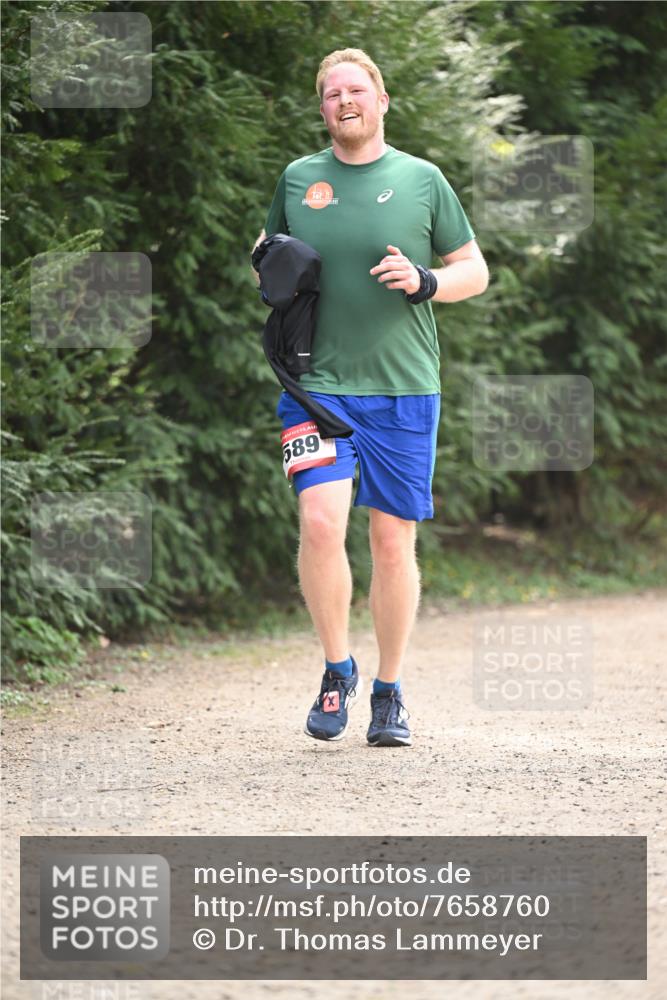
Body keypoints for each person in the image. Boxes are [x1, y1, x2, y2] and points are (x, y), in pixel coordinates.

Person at [252, 48, 488, 748]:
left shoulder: (422, 181)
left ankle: (388, 690)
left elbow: (472, 270)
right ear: (322, 107)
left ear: (381, 101)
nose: (343, 100)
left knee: (391, 540)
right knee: (322, 523)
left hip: (404, 385)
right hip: (314, 383)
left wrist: (425, 281)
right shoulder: (299, 178)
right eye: (330, 93)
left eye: (355, 89)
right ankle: (336, 670)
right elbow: (264, 248)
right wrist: (273, 267)